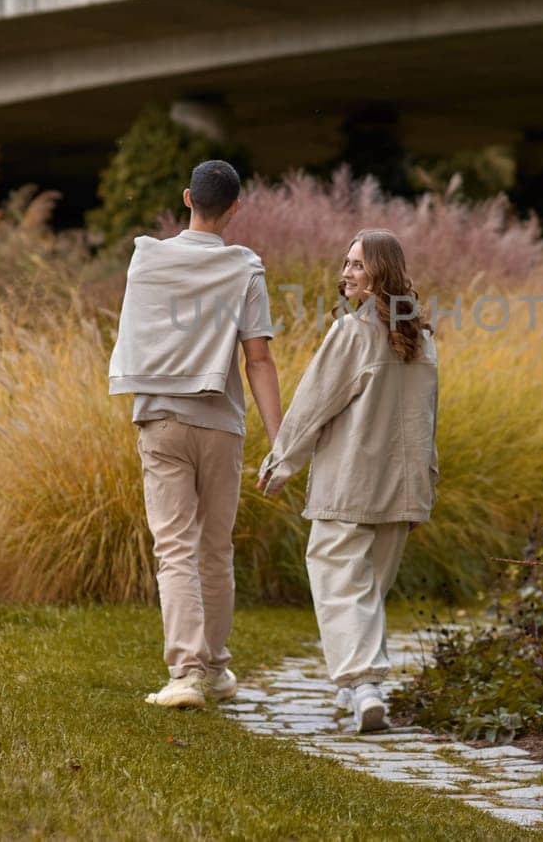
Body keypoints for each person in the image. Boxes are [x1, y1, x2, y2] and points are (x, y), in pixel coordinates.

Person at [109, 160, 282, 709]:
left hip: (161, 419)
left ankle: (186, 674)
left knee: (176, 548)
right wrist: (280, 439)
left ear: (187, 198)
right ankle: (216, 669)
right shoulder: (245, 269)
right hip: (220, 425)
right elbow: (258, 361)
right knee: (214, 549)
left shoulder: (147, 261)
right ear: (235, 208)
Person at [255, 228, 439, 733]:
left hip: (350, 488)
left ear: (382, 272)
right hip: (401, 491)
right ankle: (360, 689)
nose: (346, 273)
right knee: (367, 594)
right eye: (346, 263)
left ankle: (363, 687)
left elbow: (313, 404)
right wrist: (425, 487)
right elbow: (429, 421)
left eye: (358, 264)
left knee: (341, 586)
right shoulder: (422, 340)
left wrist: (279, 463)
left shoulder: (352, 333)